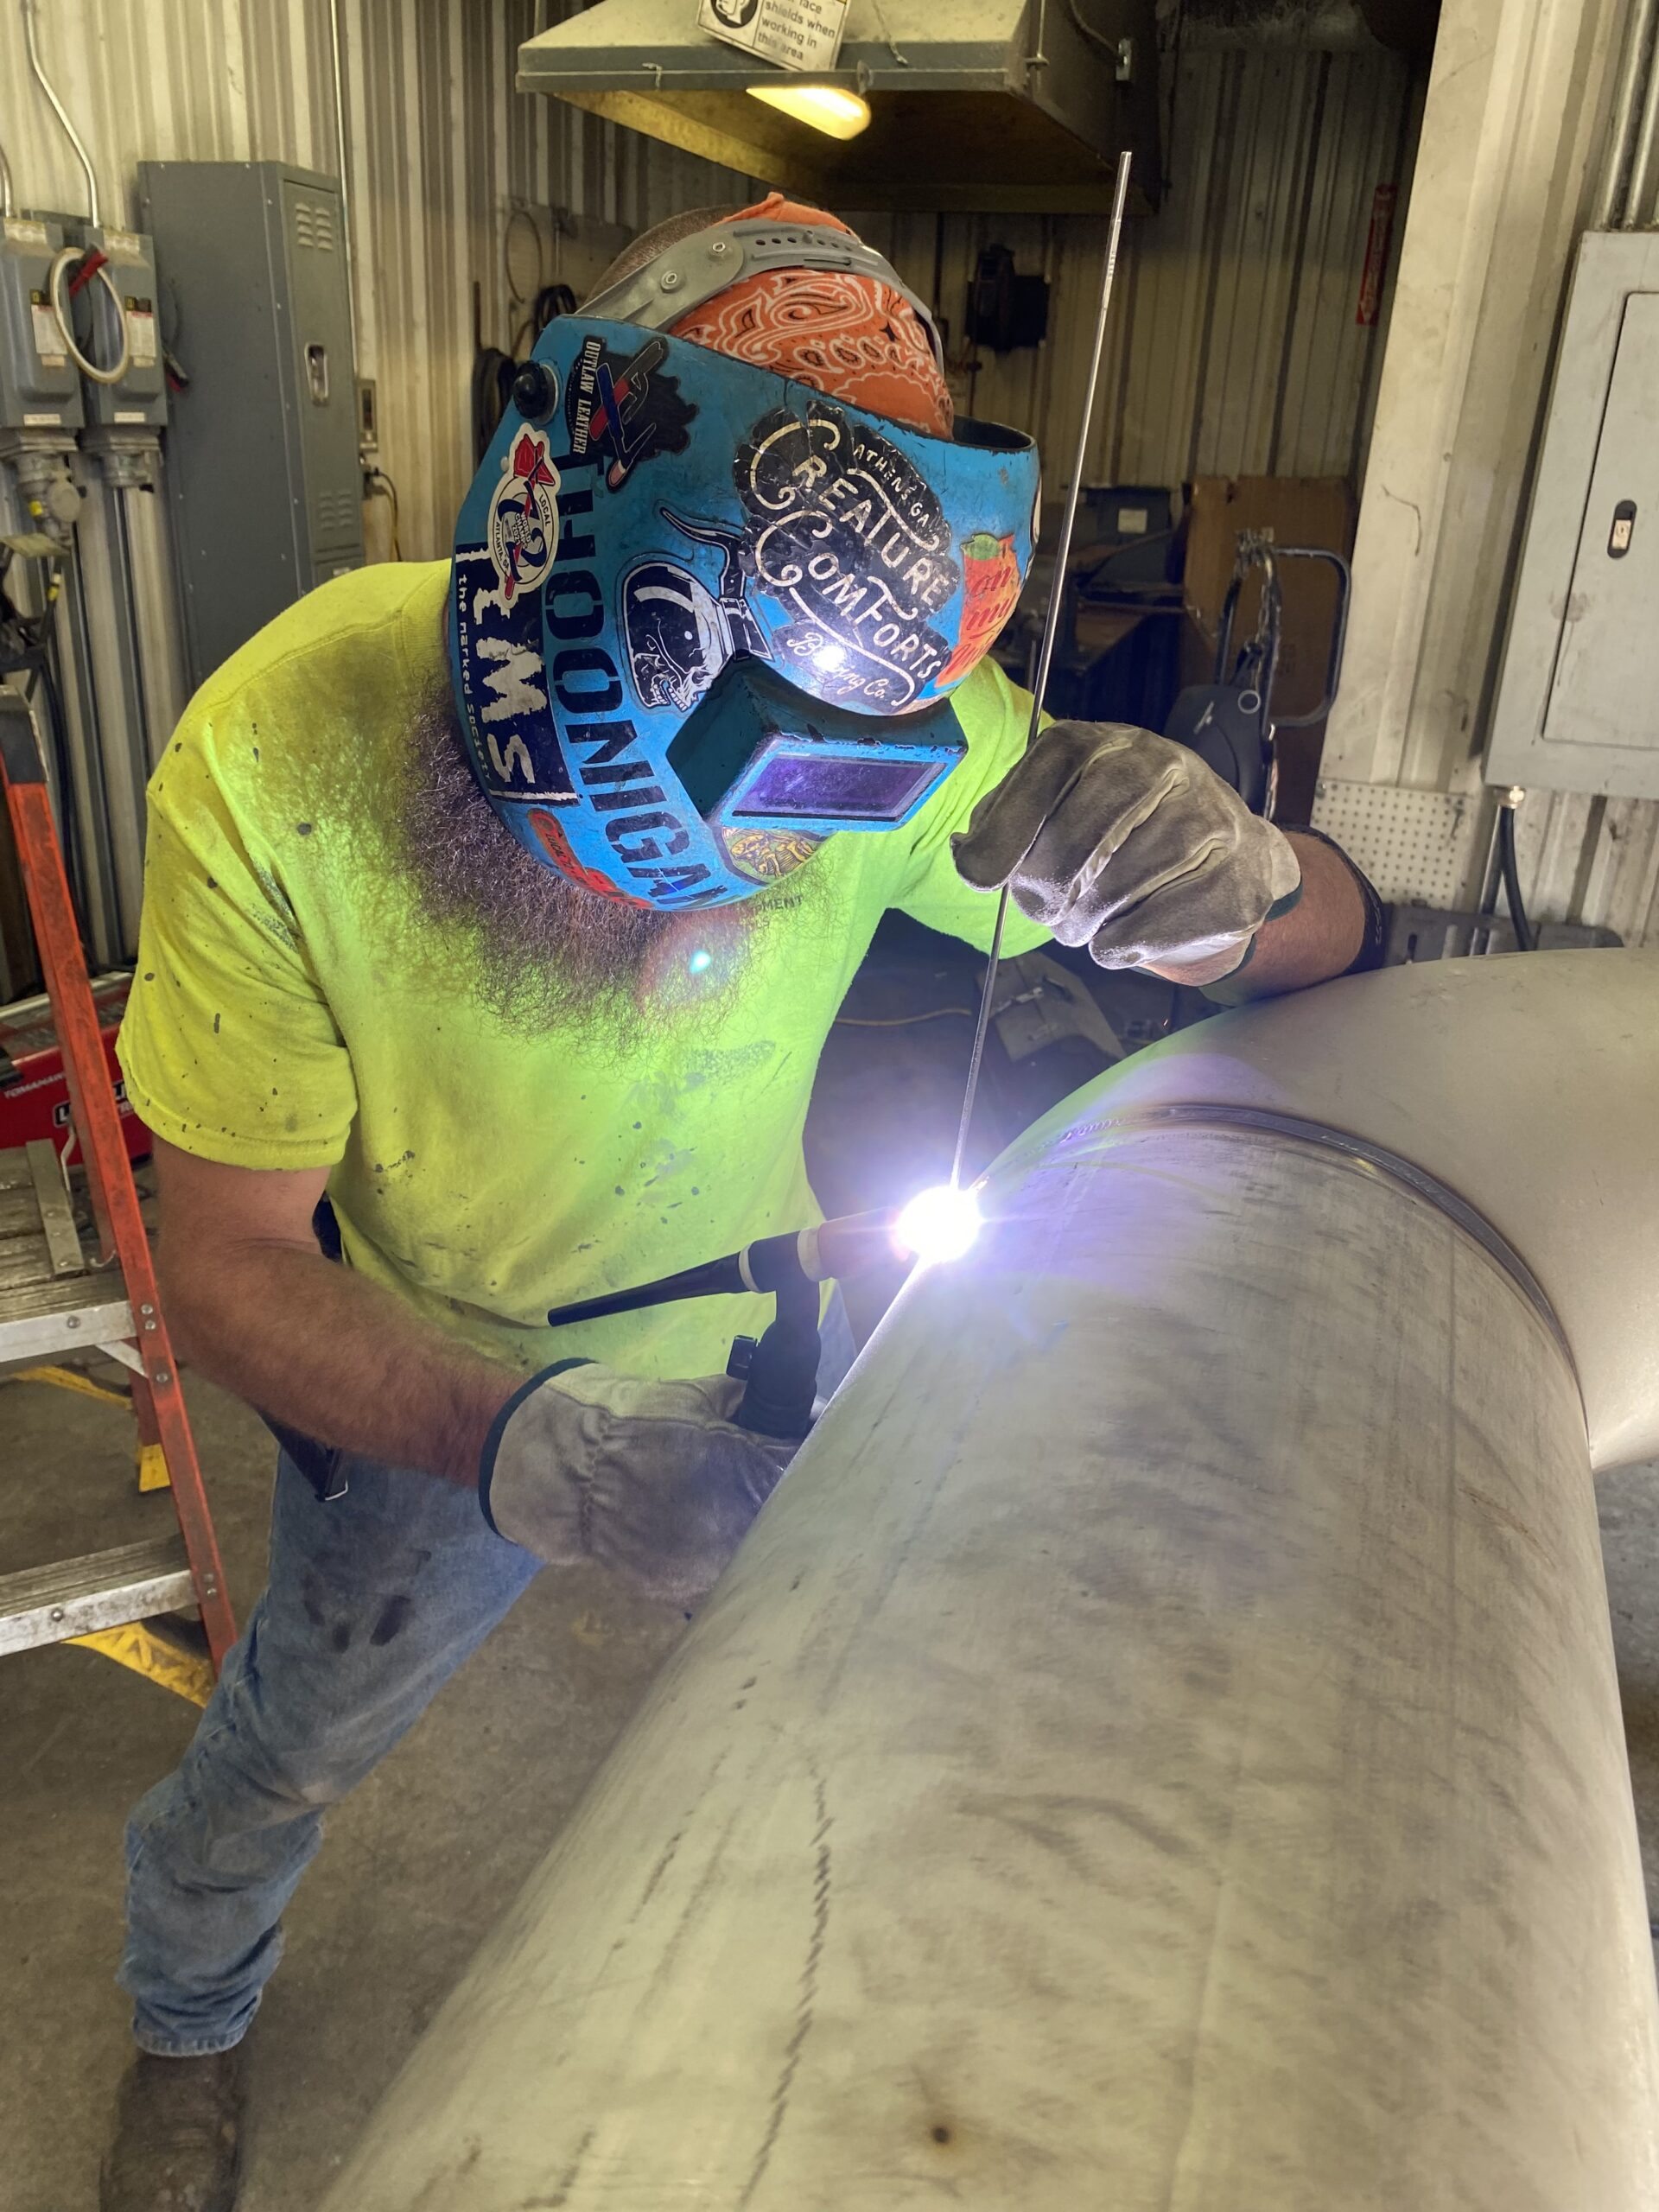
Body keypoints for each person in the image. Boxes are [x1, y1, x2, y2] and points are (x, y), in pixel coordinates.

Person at [99, 193, 1381, 2209]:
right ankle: (185, 2007)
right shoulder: (283, 758)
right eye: (626, 841)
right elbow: (230, 1267)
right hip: (440, 1371)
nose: (677, 906)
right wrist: (518, 1449)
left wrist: (1234, 875)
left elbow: (1320, 945)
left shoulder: (904, 717)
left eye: (747, 844)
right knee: (295, 1739)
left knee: (806, 1737)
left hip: (759, 1322)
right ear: (531, 591)